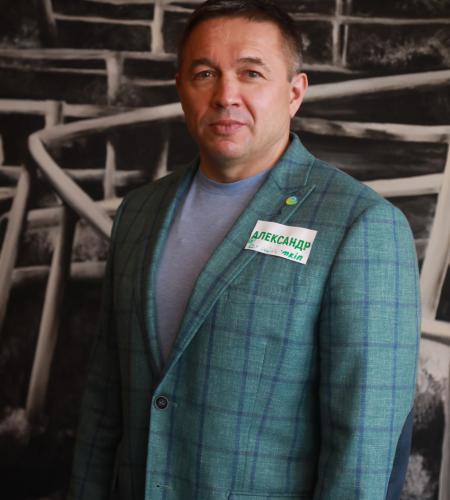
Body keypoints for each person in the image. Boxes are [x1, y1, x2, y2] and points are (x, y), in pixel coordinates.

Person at [68, 1, 420, 499]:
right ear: (180, 88)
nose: (225, 95)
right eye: (205, 74)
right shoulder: (138, 213)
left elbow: (362, 453)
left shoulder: (362, 226)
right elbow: (104, 402)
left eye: (251, 73)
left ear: (294, 93)